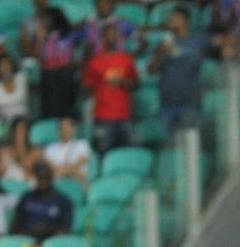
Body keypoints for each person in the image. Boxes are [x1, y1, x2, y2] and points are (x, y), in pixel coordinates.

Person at [148, 5, 213, 139]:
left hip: (190, 103)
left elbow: (223, 43)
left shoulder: (198, 41)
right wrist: (162, 53)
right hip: (167, 104)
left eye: (175, 18)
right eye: (171, 18)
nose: (171, 20)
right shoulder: (164, 44)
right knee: (169, 146)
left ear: (186, 21)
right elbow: (151, 70)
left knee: (191, 142)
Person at [83, 21, 138, 153]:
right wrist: (101, 84)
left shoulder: (126, 59)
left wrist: (122, 82)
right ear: (103, 38)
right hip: (103, 116)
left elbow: (136, 84)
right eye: (108, 35)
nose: (111, 38)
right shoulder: (95, 61)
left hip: (125, 115)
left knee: (130, 152)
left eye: (114, 35)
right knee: (103, 152)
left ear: (118, 37)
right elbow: (86, 86)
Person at [33, 6, 82, 120]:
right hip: (48, 75)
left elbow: (70, 54)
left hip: (64, 75)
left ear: (53, 18)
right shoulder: (43, 37)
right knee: (49, 110)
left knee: (65, 110)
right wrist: (40, 39)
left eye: (44, 18)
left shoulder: (68, 35)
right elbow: (38, 57)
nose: (42, 22)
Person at [12, 161, 74, 240]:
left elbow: (65, 229)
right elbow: (16, 226)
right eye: (39, 178)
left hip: (51, 243)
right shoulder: (26, 198)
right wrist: (30, 231)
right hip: (27, 242)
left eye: (45, 177)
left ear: (51, 177)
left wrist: (47, 230)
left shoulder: (63, 201)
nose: (42, 182)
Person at [44, 116, 91, 187]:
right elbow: (49, 167)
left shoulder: (82, 144)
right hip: (56, 180)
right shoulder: (50, 148)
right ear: (58, 130)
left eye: (67, 127)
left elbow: (77, 165)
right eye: (62, 127)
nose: (65, 130)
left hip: (77, 180)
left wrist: (62, 171)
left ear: (74, 129)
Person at [0, 116, 42, 184]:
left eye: (23, 130)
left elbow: (34, 174)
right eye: (17, 130)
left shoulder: (36, 152)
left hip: (29, 187)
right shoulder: (3, 152)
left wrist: (21, 150)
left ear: (27, 133)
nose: (19, 134)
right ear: (12, 132)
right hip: (9, 187)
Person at [0, 54, 30, 122]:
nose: (5, 68)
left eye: (7, 64)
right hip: (5, 123)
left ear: (12, 66)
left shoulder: (22, 78)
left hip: (24, 120)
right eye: (2, 66)